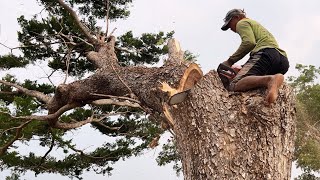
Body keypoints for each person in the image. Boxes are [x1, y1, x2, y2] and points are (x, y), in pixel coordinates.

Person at [221, 9, 289, 104]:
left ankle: (271, 80)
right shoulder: (256, 25)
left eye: (230, 24)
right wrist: (242, 67)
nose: (231, 29)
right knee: (255, 82)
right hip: (282, 60)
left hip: (265, 54)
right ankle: (272, 83)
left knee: (234, 84)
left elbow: (249, 43)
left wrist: (230, 61)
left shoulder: (242, 22)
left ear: (237, 17)